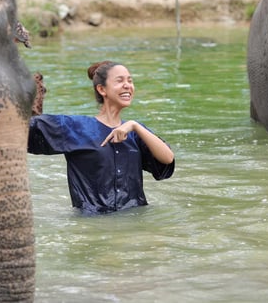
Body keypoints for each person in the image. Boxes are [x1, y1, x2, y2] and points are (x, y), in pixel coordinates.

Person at [28, 60, 175, 215]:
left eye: (130, 81)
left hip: (135, 224)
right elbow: (20, 131)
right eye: (120, 81)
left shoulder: (136, 132)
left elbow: (167, 158)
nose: (127, 85)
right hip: (93, 225)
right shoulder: (75, 128)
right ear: (102, 89)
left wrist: (135, 125)